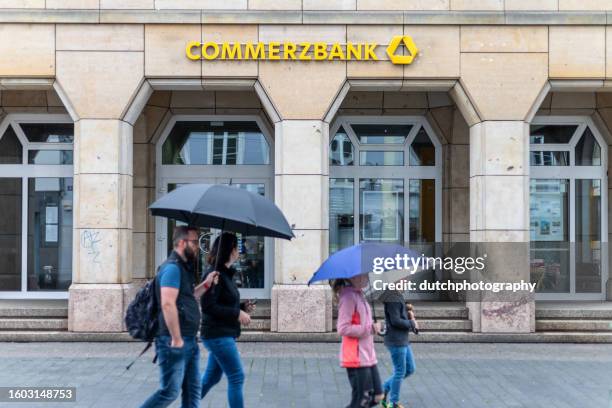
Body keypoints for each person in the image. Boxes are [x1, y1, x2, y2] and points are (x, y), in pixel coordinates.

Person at [140, 226, 218, 408]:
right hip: (173, 340)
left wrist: (206, 285)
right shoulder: (172, 269)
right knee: (170, 391)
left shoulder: (183, 268)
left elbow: (187, 297)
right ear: (182, 243)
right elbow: (168, 303)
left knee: (192, 390)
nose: (198, 246)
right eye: (195, 242)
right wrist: (176, 338)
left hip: (189, 339)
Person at [200, 232, 255, 408]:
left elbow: (224, 303)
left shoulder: (225, 274)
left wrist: (242, 308)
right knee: (237, 376)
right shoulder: (214, 275)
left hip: (223, 332)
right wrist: (237, 314)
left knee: (211, 377)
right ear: (230, 250)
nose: (239, 251)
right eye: (237, 247)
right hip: (217, 334)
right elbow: (209, 307)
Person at [334, 275, 384, 408]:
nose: (367, 277)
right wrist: (369, 328)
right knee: (362, 400)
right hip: (356, 356)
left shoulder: (360, 295)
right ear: (354, 277)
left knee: (377, 396)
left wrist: (374, 327)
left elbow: (364, 324)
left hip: (368, 355)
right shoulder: (348, 297)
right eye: (364, 274)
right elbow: (343, 328)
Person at [380, 292, 418, 408]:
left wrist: (408, 313)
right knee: (400, 371)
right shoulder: (392, 297)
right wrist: (411, 322)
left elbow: (399, 316)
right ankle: (394, 403)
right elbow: (395, 320)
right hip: (396, 340)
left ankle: (383, 389)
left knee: (410, 368)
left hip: (403, 339)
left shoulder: (398, 296)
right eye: (404, 279)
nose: (406, 281)